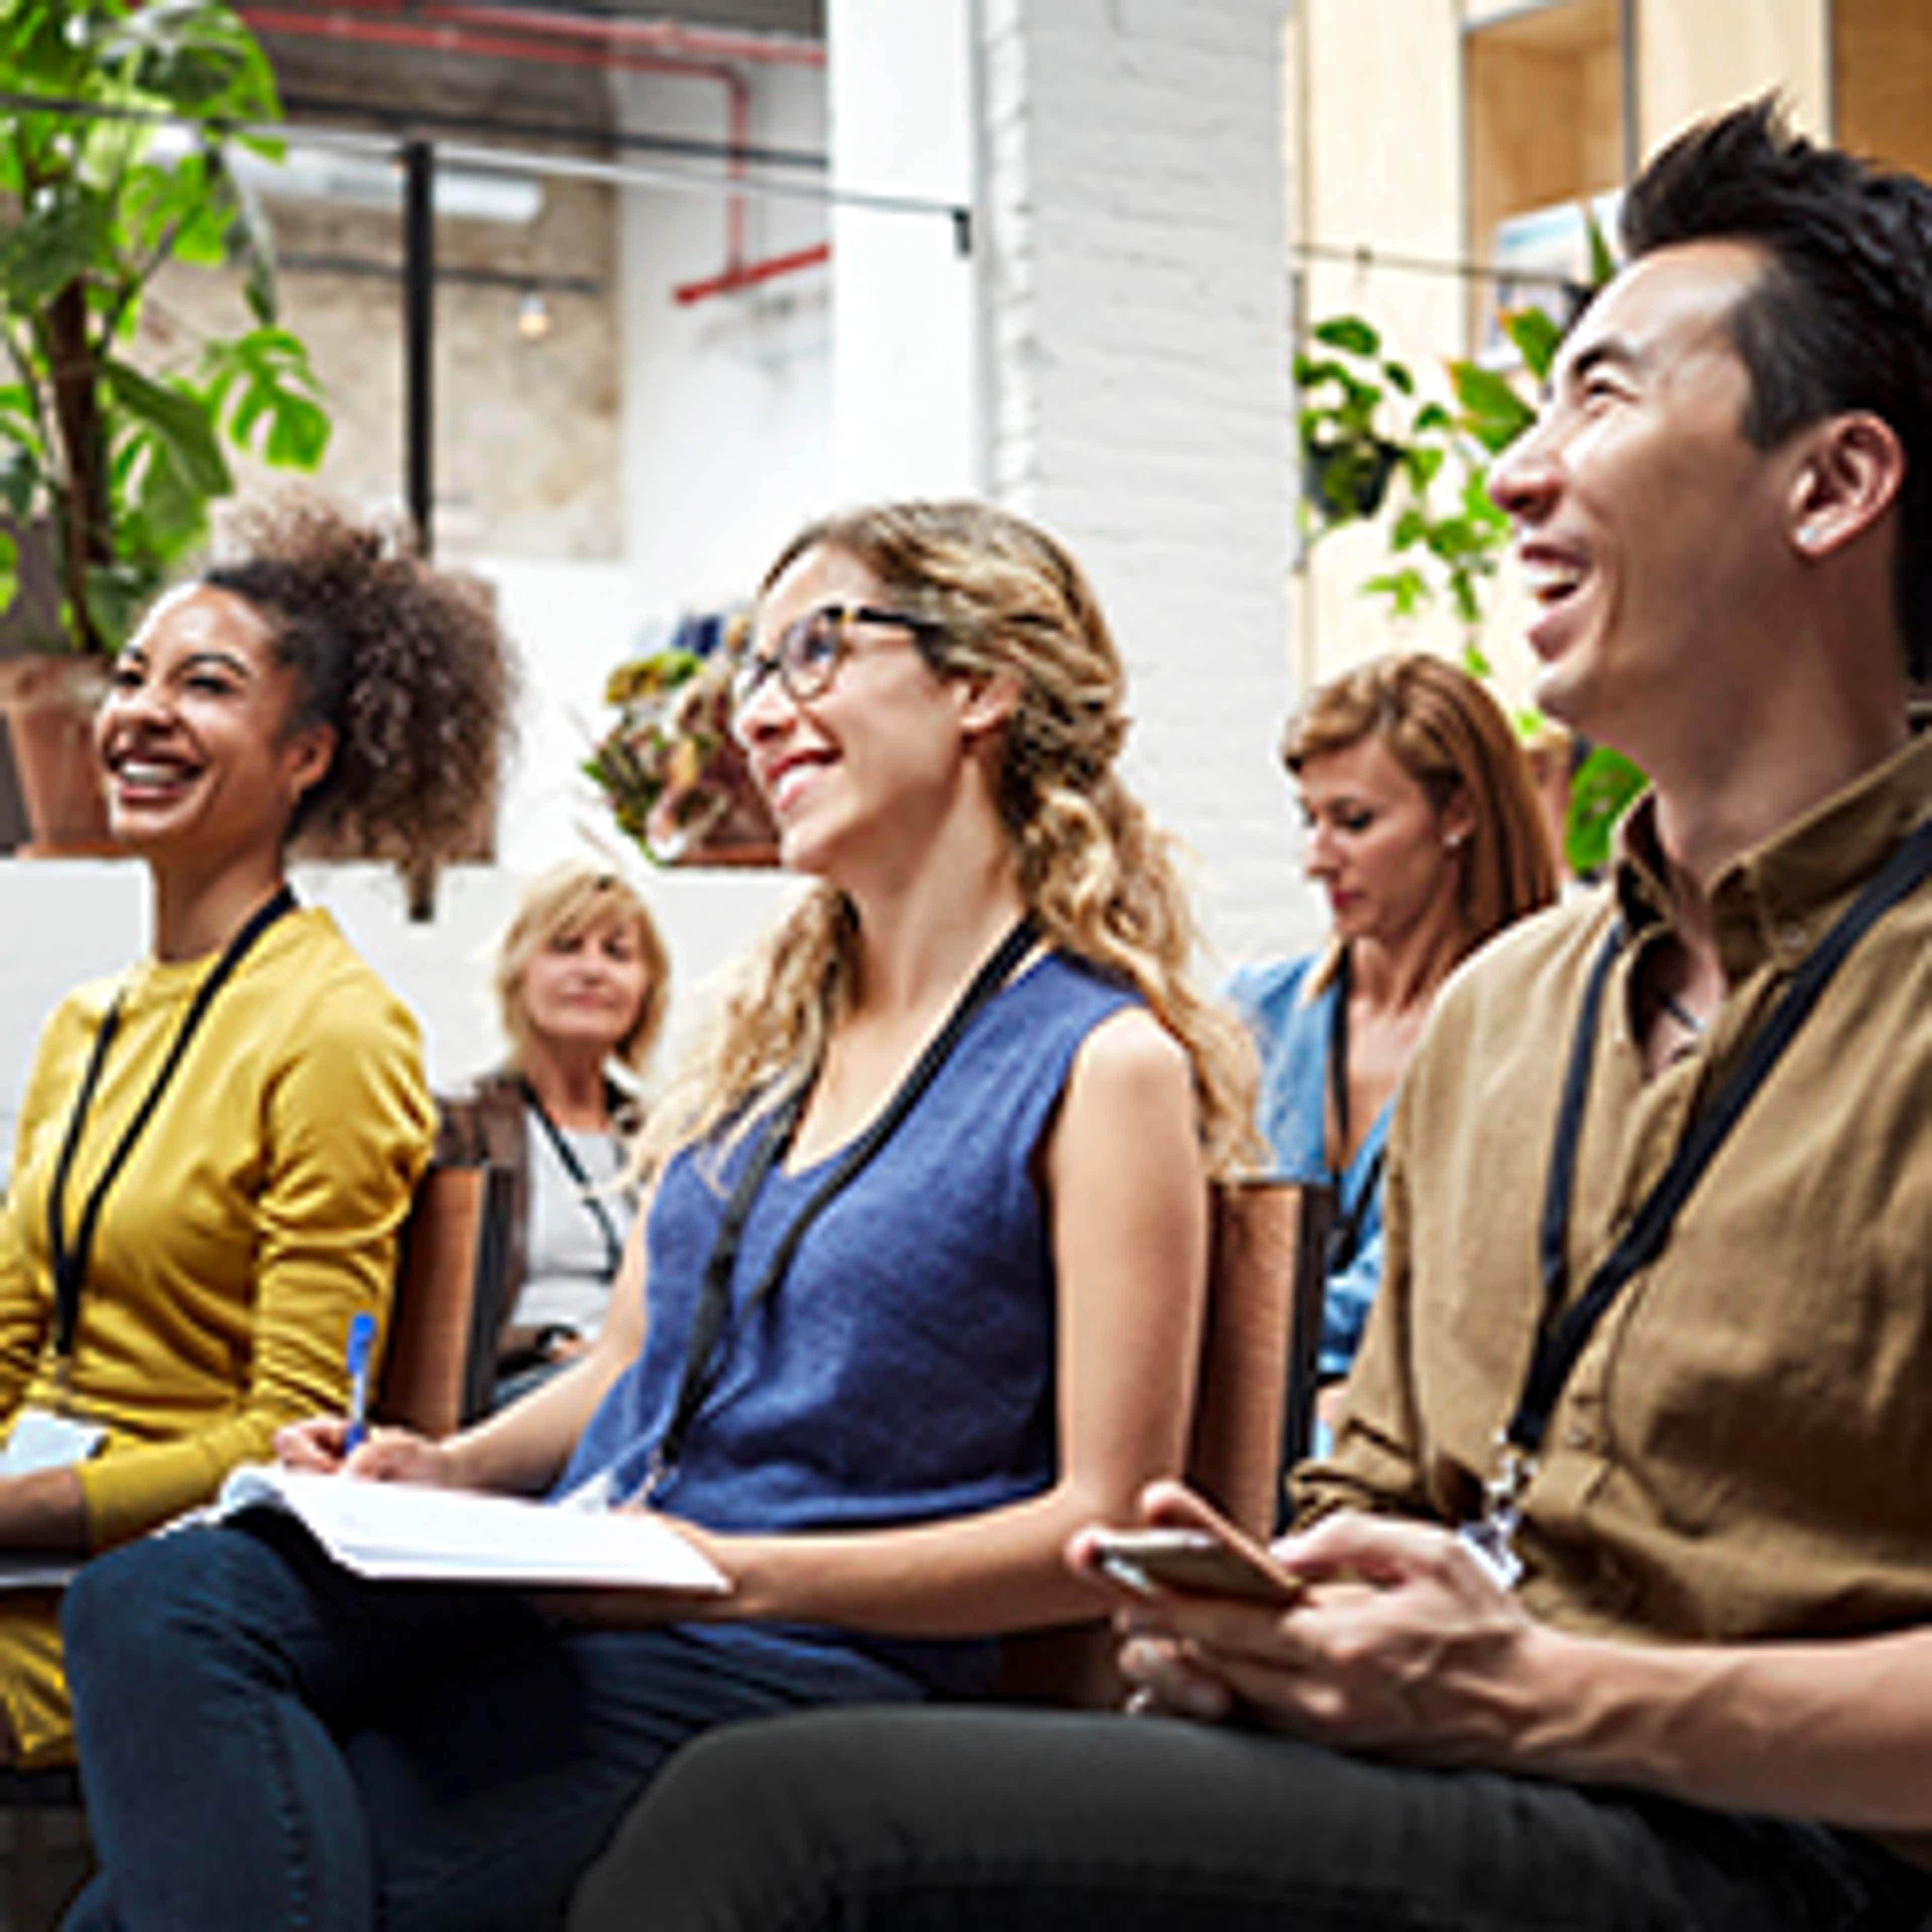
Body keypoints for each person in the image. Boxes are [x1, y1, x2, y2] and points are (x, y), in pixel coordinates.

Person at [565, 100, 1932, 1932]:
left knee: (779, 1825)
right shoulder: (1510, 1011)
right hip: (1462, 1788)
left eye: (1599, 399)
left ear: (1833, 486)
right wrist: (1258, 1623)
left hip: (1783, 1852)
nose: (1522, 476)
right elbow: (1366, 1492)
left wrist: (1546, 1692)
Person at [58, 499, 1256, 1931]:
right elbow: (629, 1367)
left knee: (142, 1907)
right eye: (752, 670)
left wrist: (732, 1576)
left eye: (815, 650)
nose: (762, 712)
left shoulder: (1098, 1062)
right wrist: (445, 1469)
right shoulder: (769, 1047)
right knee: (150, 1607)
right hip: (588, 1590)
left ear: (981, 687)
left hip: (793, 1658)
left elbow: (1105, 1516)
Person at [0, 494, 509, 1770]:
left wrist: (11, 1511)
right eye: (132, 677)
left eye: (206, 684)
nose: (143, 713)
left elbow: (285, 1430)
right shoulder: (85, 1021)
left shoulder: (336, 1029)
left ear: (308, 755)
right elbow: (13, 1331)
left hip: (126, 1596)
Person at [1230, 655, 1554, 1424]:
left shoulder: (1533, 1030)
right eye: (1309, 821)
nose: (1316, 860)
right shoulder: (1255, 1015)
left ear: (1459, 815)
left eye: (1354, 822)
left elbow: (1442, 1299)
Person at [438, 864, 668, 1403]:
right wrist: (546, 1344)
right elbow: (429, 1324)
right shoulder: (461, 1125)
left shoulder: (669, 1136)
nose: (593, 970)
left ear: (646, 988)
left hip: (643, 1384)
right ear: (518, 972)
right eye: (566, 947)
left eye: (618, 953)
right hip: (517, 1390)